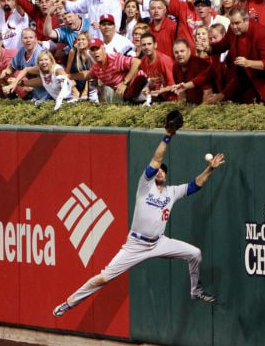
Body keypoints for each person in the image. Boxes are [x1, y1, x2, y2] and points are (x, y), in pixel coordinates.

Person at [52, 125, 225, 317]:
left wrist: (210, 169)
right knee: (103, 278)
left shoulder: (172, 192)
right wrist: (167, 136)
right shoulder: (145, 185)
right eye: (158, 170)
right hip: (135, 244)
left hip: (159, 242)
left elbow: (195, 185)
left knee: (195, 253)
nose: (160, 171)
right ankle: (69, 303)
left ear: (166, 175)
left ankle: (195, 291)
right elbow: (156, 159)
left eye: (163, 171)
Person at [208, 7, 265, 105]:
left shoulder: (261, 34)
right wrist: (209, 48)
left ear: (246, 21)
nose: (234, 26)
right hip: (256, 85)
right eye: (232, 23)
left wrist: (248, 63)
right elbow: (223, 45)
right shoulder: (233, 30)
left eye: (237, 23)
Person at [69, 38, 147, 103]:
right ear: (90, 53)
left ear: (103, 48)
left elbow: (137, 62)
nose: (96, 52)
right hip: (127, 96)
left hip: (142, 87)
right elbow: (87, 75)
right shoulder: (96, 68)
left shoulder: (114, 59)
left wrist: (124, 82)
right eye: (93, 50)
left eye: (97, 49)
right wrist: (69, 76)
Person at [3, 50, 75, 108]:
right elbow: (26, 70)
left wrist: (73, 92)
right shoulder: (41, 70)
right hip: (58, 102)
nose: (44, 62)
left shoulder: (57, 70)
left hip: (69, 102)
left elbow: (71, 82)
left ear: (51, 60)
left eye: (46, 59)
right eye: (41, 60)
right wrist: (15, 83)